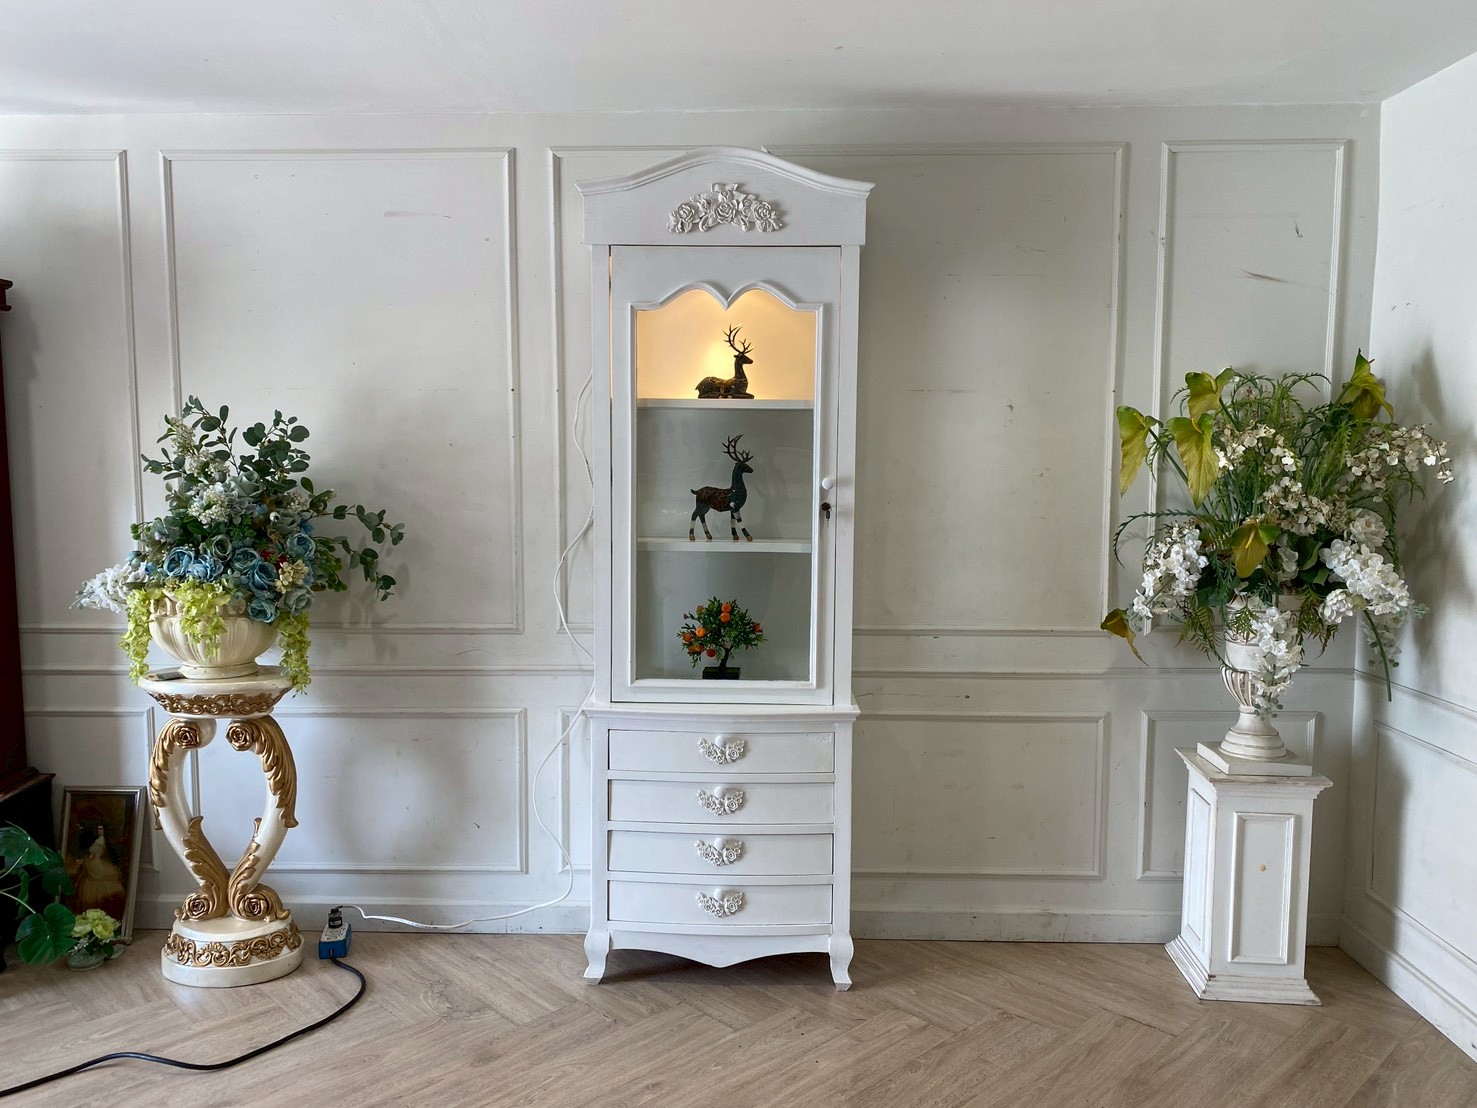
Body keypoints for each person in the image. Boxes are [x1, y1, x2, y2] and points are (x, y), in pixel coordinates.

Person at [71, 824, 127, 919]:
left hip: (98, 861)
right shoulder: (93, 846)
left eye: (101, 829)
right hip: (93, 867)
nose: (99, 830)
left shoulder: (104, 843)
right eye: (98, 829)